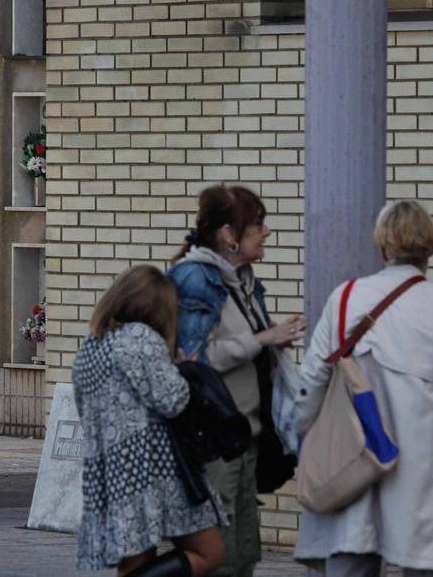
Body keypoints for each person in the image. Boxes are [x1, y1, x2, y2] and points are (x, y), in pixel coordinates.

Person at [293, 200, 433, 576]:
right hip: (419, 471)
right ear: (430, 248)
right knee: (425, 562)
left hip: (350, 463)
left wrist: (302, 443)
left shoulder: (345, 297)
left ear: (382, 247)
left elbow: (312, 382)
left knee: (350, 556)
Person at [168, 185, 306, 577]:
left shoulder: (240, 278)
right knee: (220, 555)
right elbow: (193, 361)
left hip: (243, 437)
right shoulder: (196, 278)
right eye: (257, 224)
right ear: (229, 234)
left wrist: (274, 336)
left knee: (244, 552)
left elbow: (244, 343)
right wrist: (262, 339)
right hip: (212, 441)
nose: (266, 233)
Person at [73, 265, 225, 577]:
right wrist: (187, 370)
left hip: (109, 470)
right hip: (153, 468)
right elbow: (173, 400)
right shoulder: (142, 338)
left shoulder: (92, 345)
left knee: (134, 562)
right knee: (210, 552)